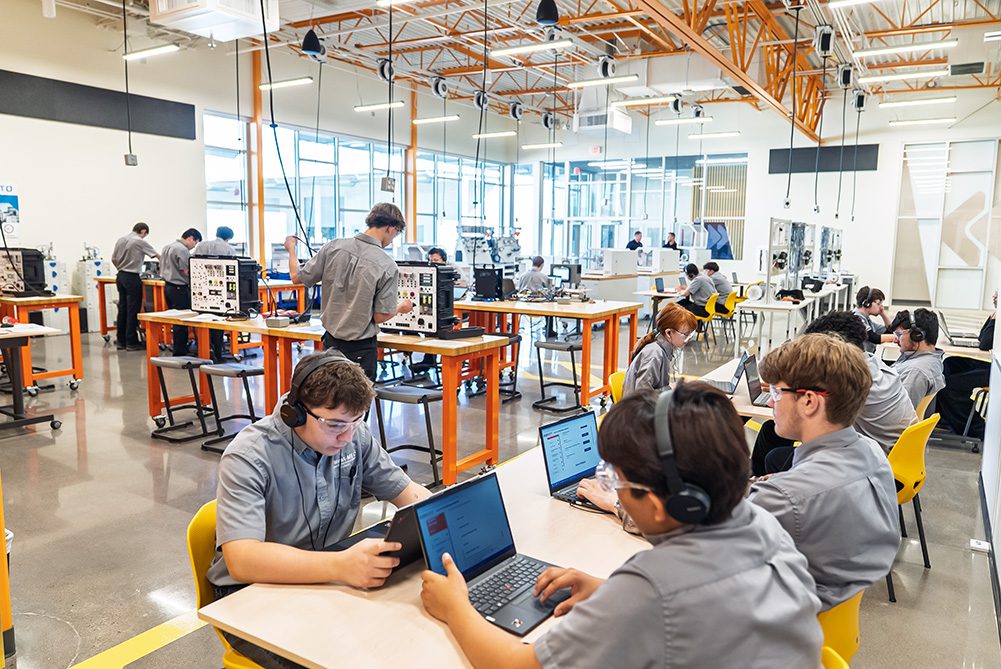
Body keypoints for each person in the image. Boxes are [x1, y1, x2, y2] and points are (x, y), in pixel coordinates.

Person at [421, 384, 824, 668]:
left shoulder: (651, 590)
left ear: (655, 504)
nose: (609, 487)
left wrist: (455, 607)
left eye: (616, 480)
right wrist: (608, 593)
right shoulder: (761, 523)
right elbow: (712, 608)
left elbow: (515, 665)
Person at [208, 351, 431, 669]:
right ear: (294, 413)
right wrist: (340, 566)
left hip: (324, 576)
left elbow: (408, 493)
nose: (347, 436)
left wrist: (441, 519)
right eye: (335, 424)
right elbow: (242, 560)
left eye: (356, 422)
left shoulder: (354, 437)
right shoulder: (248, 456)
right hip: (250, 592)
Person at [747, 334, 900, 611]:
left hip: (771, 636)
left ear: (809, 401)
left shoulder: (784, 498)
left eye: (777, 393)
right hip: (828, 632)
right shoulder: (873, 453)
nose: (771, 403)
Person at [751, 311, 916, 475]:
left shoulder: (851, 380)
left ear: (834, 349)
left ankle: (762, 491)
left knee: (775, 455)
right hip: (889, 453)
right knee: (770, 430)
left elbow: (811, 418)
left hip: (870, 463)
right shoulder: (872, 364)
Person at [285, 203, 413, 381]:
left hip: (330, 345)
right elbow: (380, 316)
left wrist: (291, 249)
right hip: (361, 350)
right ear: (391, 227)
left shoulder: (333, 247)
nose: (392, 240)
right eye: (396, 234)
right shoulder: (387, 265)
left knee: (329, 401)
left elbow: (296, 277)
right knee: (357, 406)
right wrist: (401, 307)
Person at [620, 303, 697, 398]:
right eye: (686, 334)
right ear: (668, 333)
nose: (689, 339)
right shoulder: (654, 354)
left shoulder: (663, 348)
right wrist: (672, 389)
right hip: (638, 409)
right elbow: (642, 394)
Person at [111, 222, 160, 351]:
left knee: (123, 308)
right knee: (133, 310)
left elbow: (113, 259)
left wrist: (122, 269)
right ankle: (132, 342)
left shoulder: (121, 239)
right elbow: (157, 256)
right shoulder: (139, 241)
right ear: (143, 231)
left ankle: (121, 340)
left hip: (120, 276)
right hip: (132, 277)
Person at [887, 308, 945, 409]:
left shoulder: (916, 372)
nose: (895, 340)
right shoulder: (930, 360)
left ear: (917, 335)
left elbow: (898, 413)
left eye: (899, 334)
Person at [160, 228, 202, 356]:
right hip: (179, 288)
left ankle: (178, 348)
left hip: (168, 287)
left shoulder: (167, 247)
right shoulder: (182, 250)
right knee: (182, 320)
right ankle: (180, 351)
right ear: (190, 238)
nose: (193, 247)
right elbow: (186, 271)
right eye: (195, 243)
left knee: (175, 318)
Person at [853, 285, 891, 353]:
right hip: (859, 358)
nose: (881, 307)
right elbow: (874, 338)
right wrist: (896, 338)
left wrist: (883, 313)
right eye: (878, 304)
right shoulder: (857, 318)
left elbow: (889, 330)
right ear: (867, 303)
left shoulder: (866, 319)